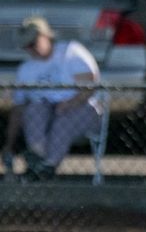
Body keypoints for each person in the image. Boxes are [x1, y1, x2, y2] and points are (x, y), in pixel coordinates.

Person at [2, 16, 103, 182]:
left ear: (46, 36)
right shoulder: (25, 70)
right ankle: (39, 158)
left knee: (63, 121)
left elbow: (90, 87)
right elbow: (18, 108)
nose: (31, 49)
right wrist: (9, 144)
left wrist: (69, 104)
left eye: (33, 43)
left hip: (83, 110)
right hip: (46, 114)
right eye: (26, 46)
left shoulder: (71, 52)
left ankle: (46, 166)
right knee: (34, 109)